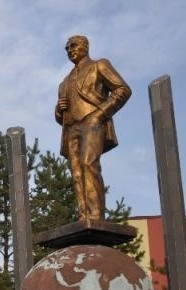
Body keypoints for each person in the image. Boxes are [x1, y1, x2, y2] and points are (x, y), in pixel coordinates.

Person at [55, 34, 131, 222]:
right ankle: (83, 215)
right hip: (71, 128)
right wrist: (59, 110)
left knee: (89, 163)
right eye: (67, 48)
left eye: (73, 46)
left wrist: (101, 113)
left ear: (85, 47)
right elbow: (60, 116)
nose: (70, 50)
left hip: (92, 120)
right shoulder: (64, 82)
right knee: (76, 172)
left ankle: (96, 215)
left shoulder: (99, 65)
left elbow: (123, 90)